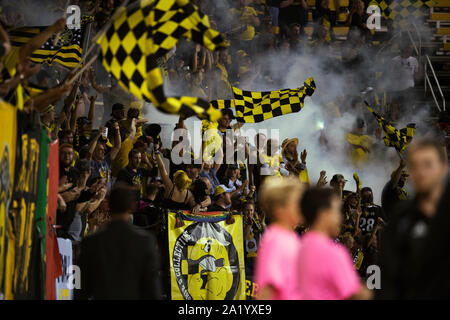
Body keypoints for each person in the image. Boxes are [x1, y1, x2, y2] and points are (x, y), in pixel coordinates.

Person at [377, 139, 448, 299]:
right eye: (415, 166)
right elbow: (388, 277)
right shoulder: (401, 219)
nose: (421, 171)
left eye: (428, 164)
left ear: (443, 168)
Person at [76, 184, 163, 299]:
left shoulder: (91, 242)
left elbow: (81, 289)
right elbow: (153, 290)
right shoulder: (145, 241)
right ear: (132, 206)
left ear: (110, 205)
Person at [298, 187, 372, 300]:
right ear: (323, 214)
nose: (339, 218)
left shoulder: (299, 244)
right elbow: (356, 294)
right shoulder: (333, 252)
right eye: (336, 212)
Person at [255, 177, 303, 300]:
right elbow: (267, 289)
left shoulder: (292, 237)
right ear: (279, 210)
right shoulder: (275, 239)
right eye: (296, 203)